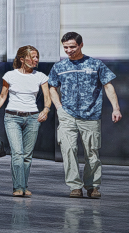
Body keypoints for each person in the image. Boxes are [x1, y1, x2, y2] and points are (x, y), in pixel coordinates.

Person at [47, 31, 122, 199]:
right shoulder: (59, 67)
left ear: (81, 45)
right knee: (68, 150)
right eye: (65, 47)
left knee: (92, 153)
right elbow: (51, 87)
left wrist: (115, 108)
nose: (69, 50)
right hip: (67, 115)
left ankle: (93, 186)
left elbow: (108, 85)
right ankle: (75, 186)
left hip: (91, 115)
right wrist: (59, 107)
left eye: (72, 47)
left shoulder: (95, 64)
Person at [0, 44, 51, 197]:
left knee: (27, 155)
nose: (36, 60)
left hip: (33, 118)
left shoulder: (40, 76)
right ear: (22, 59)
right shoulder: (10, 75)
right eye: (32, 57)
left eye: (37, 57)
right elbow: (2, 96)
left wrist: (46, 110)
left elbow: (47, 98)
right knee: (17, 153)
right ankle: (18, 187)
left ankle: (23, 186)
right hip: (12, 117)